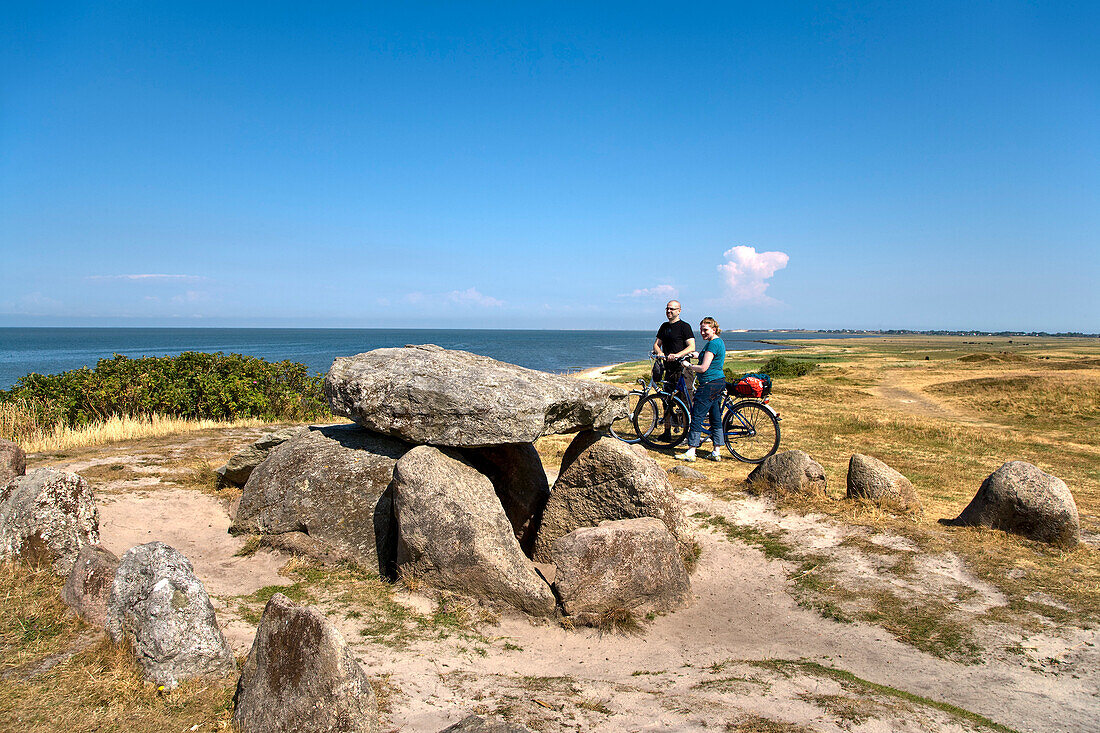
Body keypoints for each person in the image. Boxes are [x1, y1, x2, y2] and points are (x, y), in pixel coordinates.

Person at [675, 316, 727, 462]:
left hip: (708, 384)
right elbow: (709, 358)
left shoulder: (712, 345)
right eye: (701, 330)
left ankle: (691, 451)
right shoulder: (718, 342)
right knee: (715, 417)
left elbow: (703, 368)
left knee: (697, 416)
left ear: (714, 329)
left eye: (705, 330)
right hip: (718, 382)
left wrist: (688, 366)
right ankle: (716, 451)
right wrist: (696, 355)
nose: (702, 333)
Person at [653, 300, 696, 399]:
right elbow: (656, 344)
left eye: (672, 309)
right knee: (667, 401)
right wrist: (659, 352)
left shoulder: (685, 327)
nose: (669, 311)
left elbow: (692, 347)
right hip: (668, 369)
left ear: (679, 311)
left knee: (685, 400)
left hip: (682, 369)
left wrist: (678, 355)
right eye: (667, 308)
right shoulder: (664, 326)